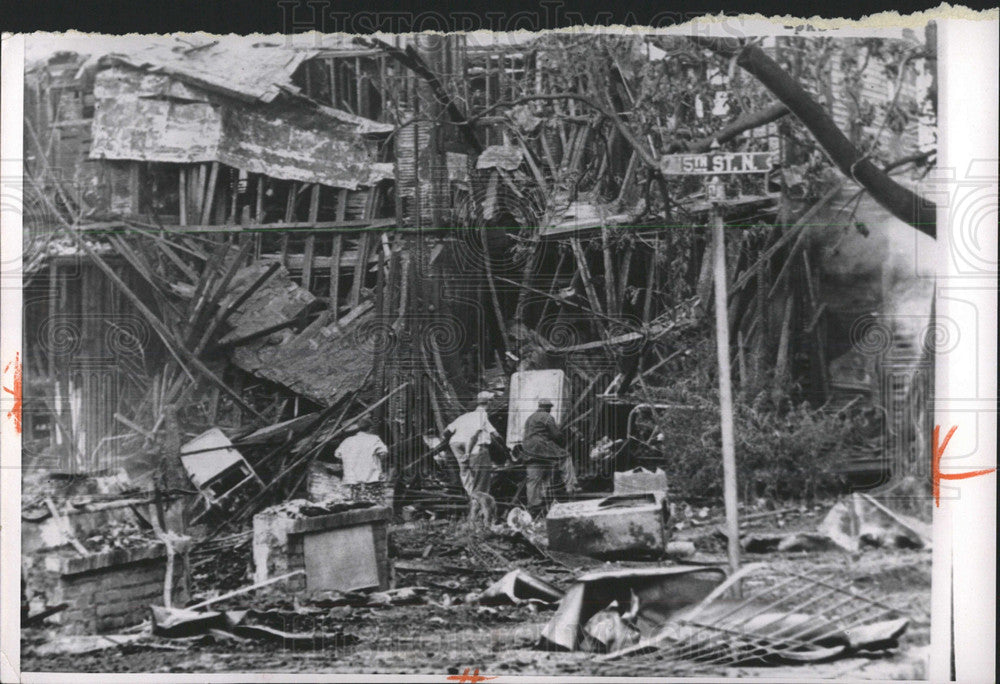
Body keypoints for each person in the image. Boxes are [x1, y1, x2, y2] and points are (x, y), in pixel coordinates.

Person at [522, 399, 578, 515]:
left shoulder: (530, 418)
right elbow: (556, 435)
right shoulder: (547, 417)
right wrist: (562, 442)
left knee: (534, 479)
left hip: (528, 450)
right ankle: (570, 487)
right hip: (541, 446)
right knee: (565, 457)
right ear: (548, 408)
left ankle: (533, 506)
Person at [445, 391, 501, 498]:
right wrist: (467, 451)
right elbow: (475, 436)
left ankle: (470, 495)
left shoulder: (466, 416)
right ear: (489, 403)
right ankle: (479, 500)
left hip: (455, 443)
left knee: (465, 472)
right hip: (473, 447)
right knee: (481, 477)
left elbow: (446, 432)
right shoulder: (482, 414)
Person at [334, 415, 391, 507]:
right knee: (374, 504)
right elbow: (383, 453)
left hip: (352, 479)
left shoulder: (347, 440)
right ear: (370, 428)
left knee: (355, 504)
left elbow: (337, 454)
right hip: (371, 478)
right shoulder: (374, 439)